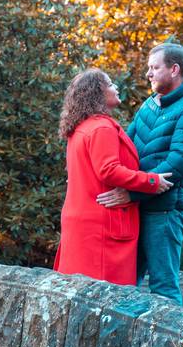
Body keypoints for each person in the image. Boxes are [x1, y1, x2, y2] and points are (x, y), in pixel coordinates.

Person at [97, 43, 183, 303]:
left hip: (166, 211)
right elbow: (124, 144)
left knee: (163, 286)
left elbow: (178, 164)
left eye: (154, 68)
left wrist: (133, 193)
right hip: (140, 206)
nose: (148, 74)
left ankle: (173, 344)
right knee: (125, 283)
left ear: (174, 69)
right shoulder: (150, 104)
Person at [54, 68, 173, 285]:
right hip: (102, 227)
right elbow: (108, 170)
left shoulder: (81, 127)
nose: (115, 87)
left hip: (84, 222)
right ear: (97, 93)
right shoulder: (101, 128)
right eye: (110, 84)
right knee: (105, 301)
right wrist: (151, 181)